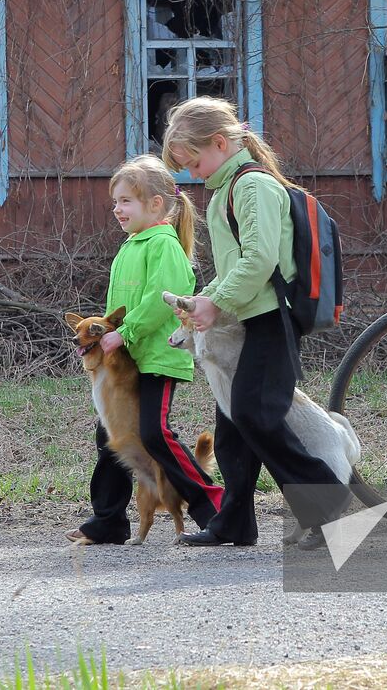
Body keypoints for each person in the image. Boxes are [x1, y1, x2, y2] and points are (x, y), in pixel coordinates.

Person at [161, 96, 352, 549]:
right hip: (251, 316)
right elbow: (234, 270)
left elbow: (259, 261)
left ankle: (326, 501)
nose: (193, 174)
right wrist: (203, 300)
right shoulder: (226, 191)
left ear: (220, 143)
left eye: (194, 162)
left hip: (272, 318)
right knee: (233, 426)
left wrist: (215, 302)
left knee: (253, 413)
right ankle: (235, 523)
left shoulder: (253, 187)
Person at [67, 155, 225, 544]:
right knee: (110, 436)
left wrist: (126, 333)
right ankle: (109, 520)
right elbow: (117, 309)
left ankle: (214, 508)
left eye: (126, 201)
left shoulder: (164, 245)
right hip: (128, 361)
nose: (117, 209)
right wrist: (107, 340)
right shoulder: (130, 246)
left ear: (155, 204)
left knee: (156, 434)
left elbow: (160, 300)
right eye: (115, 202)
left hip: (157, 358)